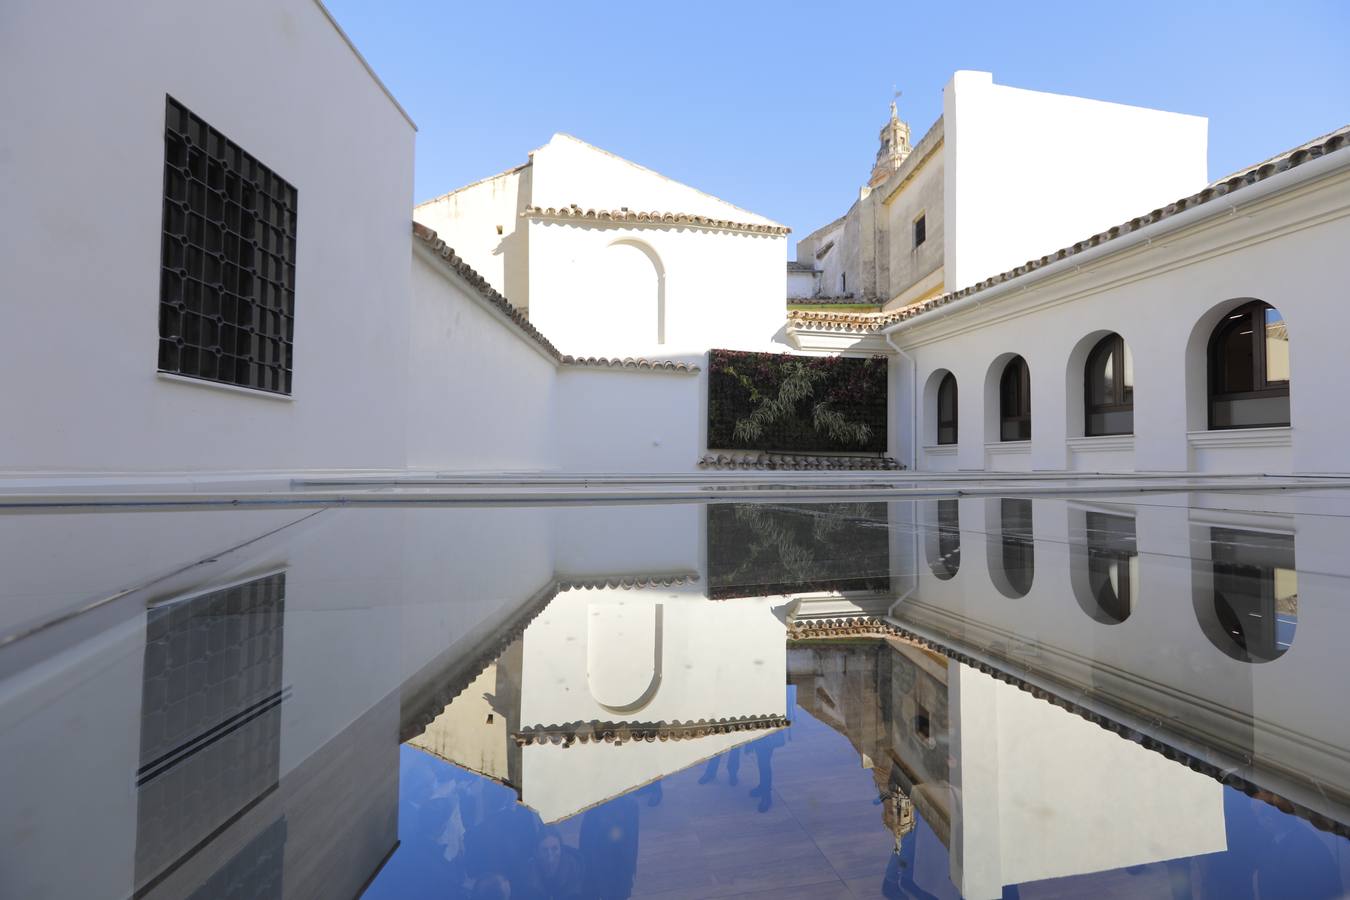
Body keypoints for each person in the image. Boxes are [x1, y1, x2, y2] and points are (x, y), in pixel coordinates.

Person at [517, 827, 584, 900]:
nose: (550, 858)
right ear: (537, 853)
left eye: (555, 849)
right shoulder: (527, 876)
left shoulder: (575, 870)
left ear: (562, 850)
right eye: (544, 850)